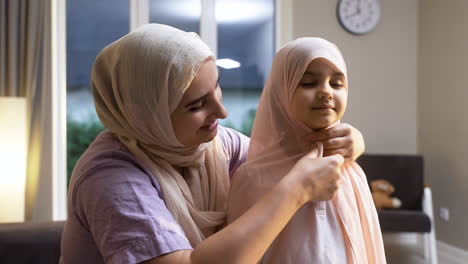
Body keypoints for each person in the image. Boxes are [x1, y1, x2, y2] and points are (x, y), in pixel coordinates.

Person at [60, 24, 366, 264]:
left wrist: (348, 141)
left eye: (217, 87)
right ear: (146, 115)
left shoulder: (216, 145)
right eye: (196, 106)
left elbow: (283, 158)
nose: (222, 112)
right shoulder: (111, 179)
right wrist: (295, 191)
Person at [227, 38, 386, 264]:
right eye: (309, 83)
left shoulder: (351, 171)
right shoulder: (252, 176)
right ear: (282, 93)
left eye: (337, 83)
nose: (326, 92)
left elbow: (366, 248)